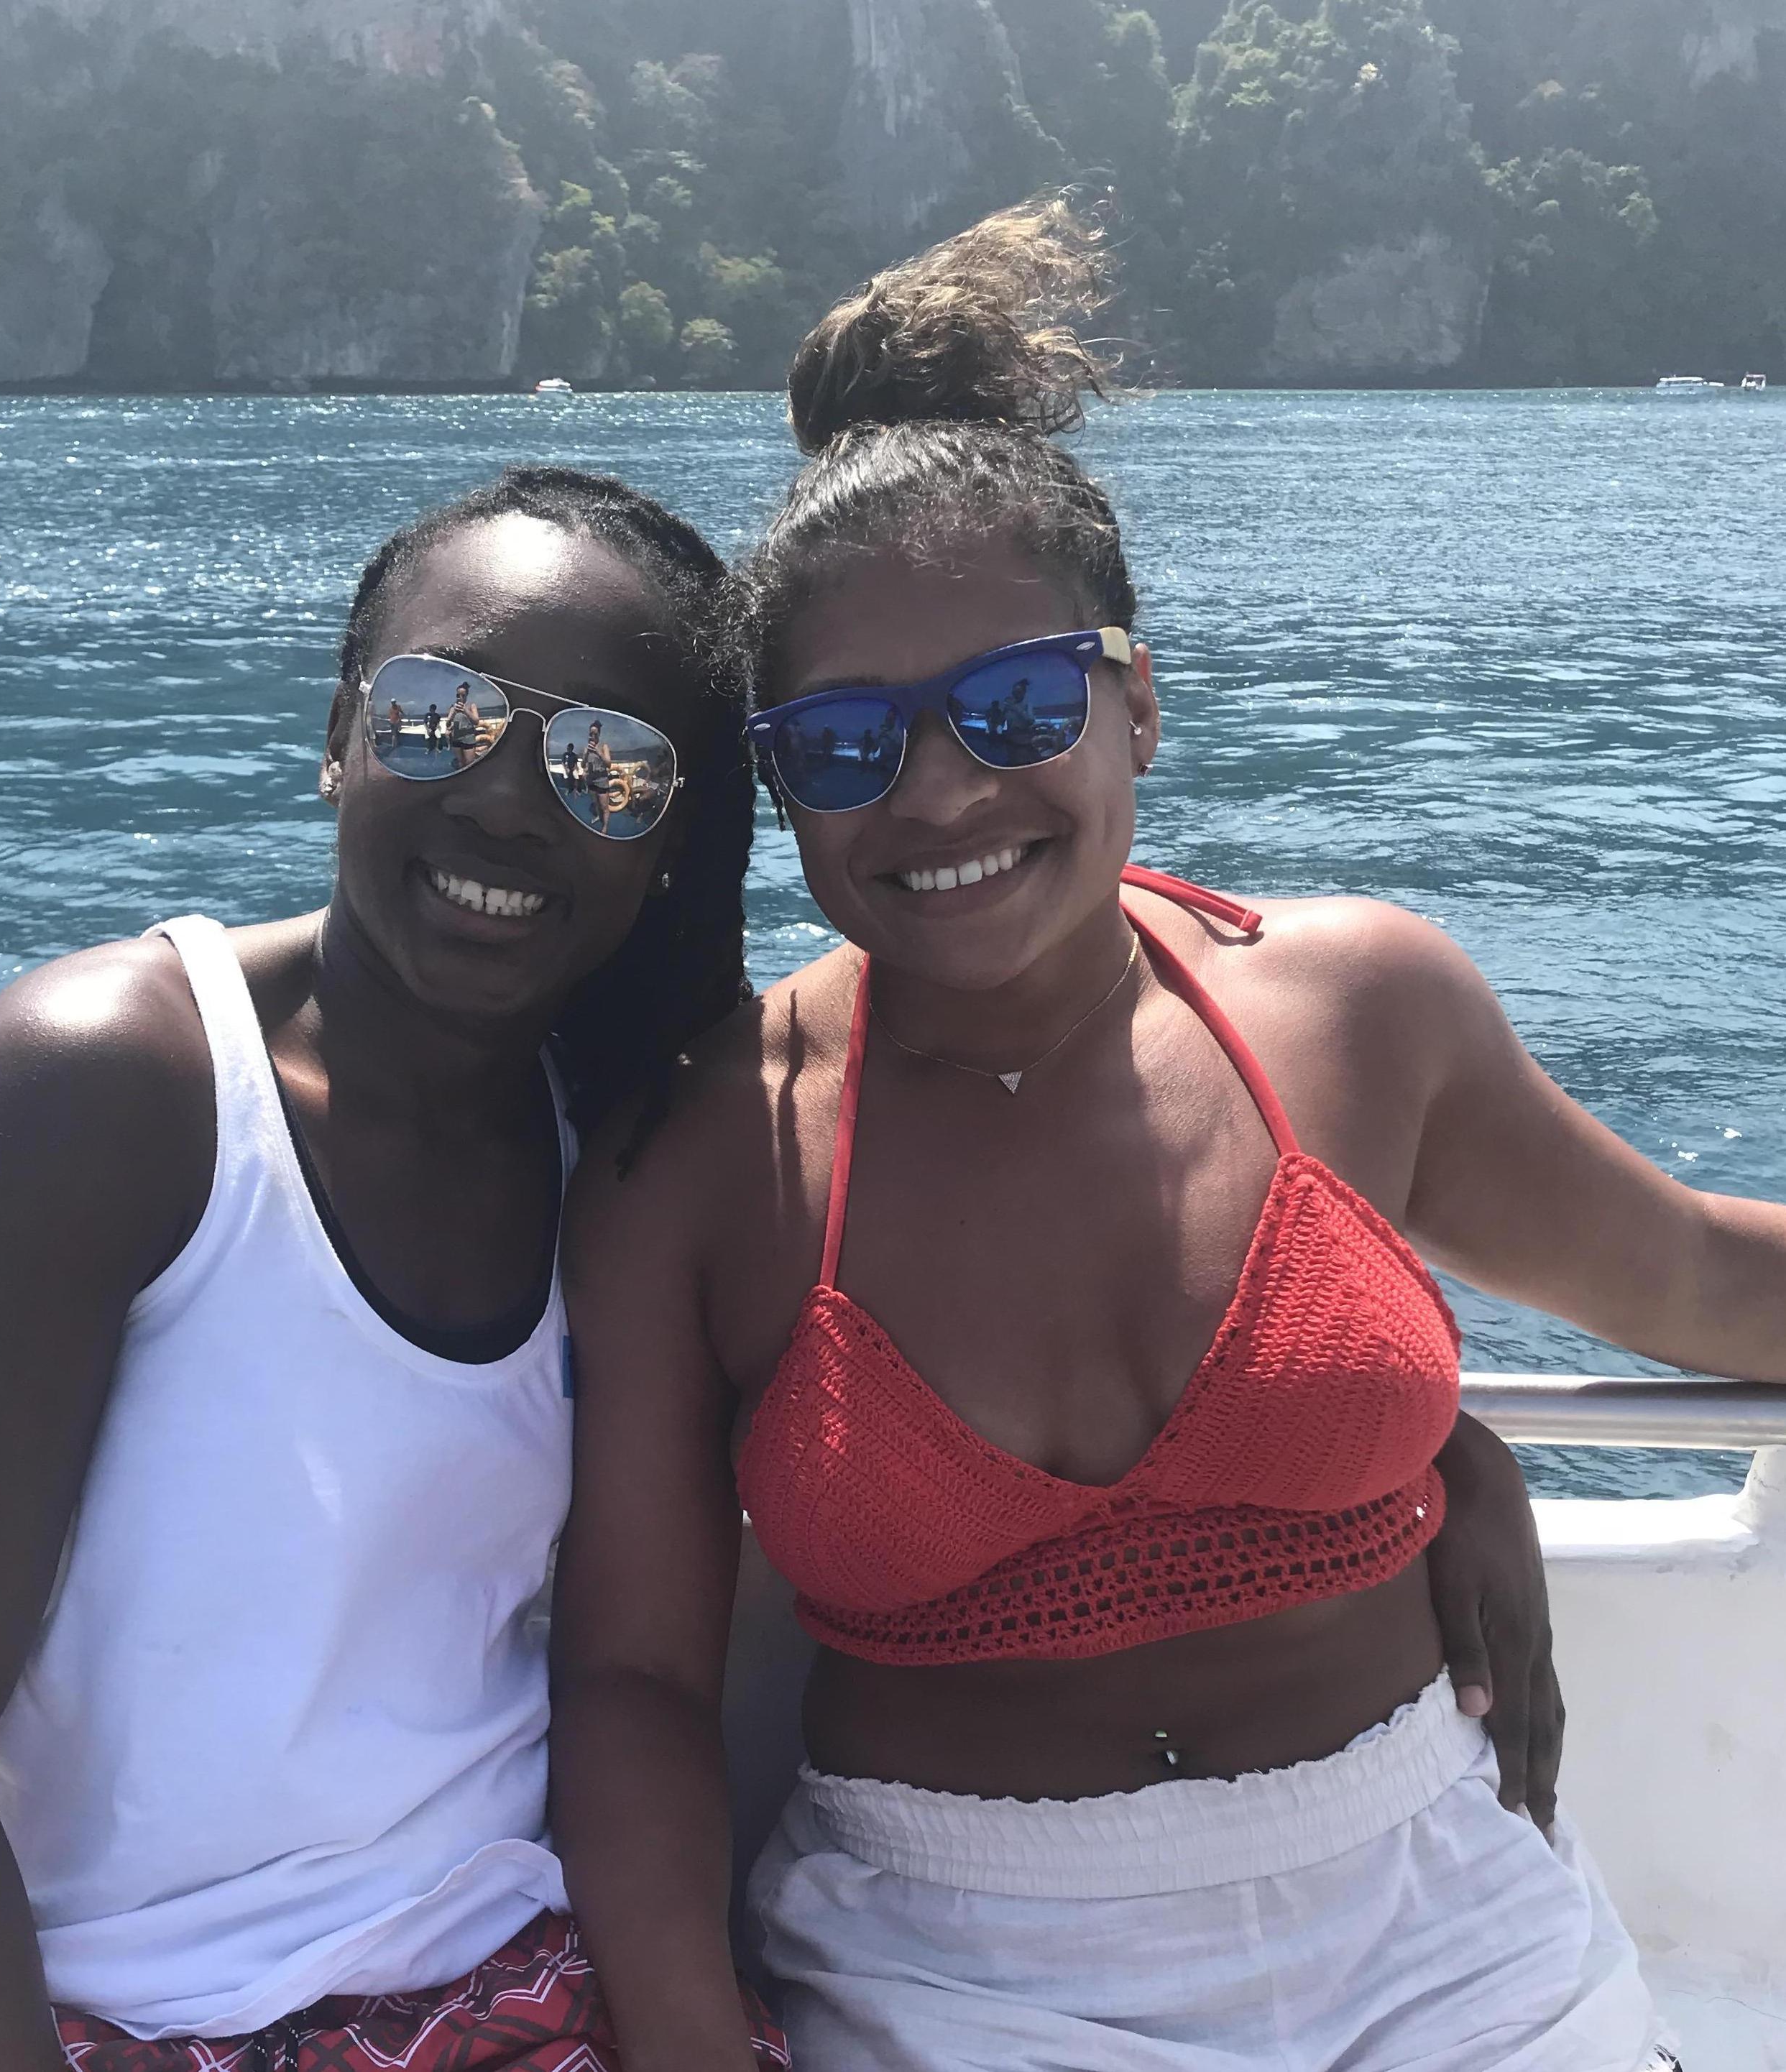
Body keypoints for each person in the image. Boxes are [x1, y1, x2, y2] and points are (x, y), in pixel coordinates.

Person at [548, 203, 1786, 2071]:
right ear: (781, 786)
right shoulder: (713, 1156)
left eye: (1013, 706)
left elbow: (1691, 1273)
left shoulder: (1356, 1014)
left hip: (1444, 1922)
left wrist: (1428, 1442)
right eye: (846, 745)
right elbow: (638, 1677)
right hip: (950, 1965)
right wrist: (690, 2036)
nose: (938, 792)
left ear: (1133, 701)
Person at [0, 468, 784, 2072]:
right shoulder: (108, 1089)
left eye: (606, 765)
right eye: (439, 716)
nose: (511, 801)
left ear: (665, 840)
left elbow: (641, 1670)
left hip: (509, 1993)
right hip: (104, 2024)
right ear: (339, 733)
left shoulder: (619, 1139)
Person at [582, 719, 617, 833]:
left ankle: (605, 827)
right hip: (591, 780)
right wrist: (586, 755)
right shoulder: (586, 748)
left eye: (595, 734)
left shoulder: (603, 746)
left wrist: (599, 752)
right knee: (596, 803)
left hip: (602, 781)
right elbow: (583, 765)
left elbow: (609, 765)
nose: (592, 736)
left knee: (604, 807)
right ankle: (598, 816)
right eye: (591, 734)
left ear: (599, 734)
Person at [448, 681, 484, 768]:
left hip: (468, 738)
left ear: (467, 695)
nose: (460, 697)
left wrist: (465, 711)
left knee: (469, 763)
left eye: (463, 695)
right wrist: (452, 715)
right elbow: (448, 725)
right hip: (456, 738)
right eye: (458, 695)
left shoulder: (472, 706)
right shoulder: (453, 707)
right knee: (460, 763)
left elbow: (476, 721)